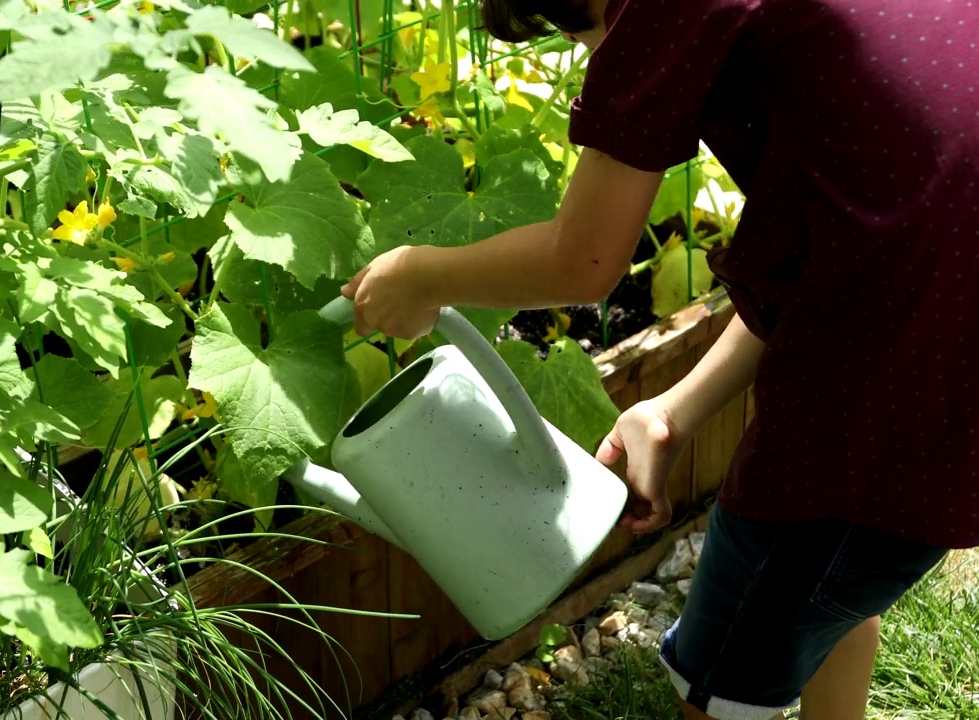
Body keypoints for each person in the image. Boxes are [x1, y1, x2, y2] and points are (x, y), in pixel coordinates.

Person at [338, 0, 979, 717]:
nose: (593, 59)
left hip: (910, 354)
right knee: (828, 585)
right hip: (947, 313)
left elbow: (581, 261)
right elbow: (844, 243)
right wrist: (676, 406)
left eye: (581, 34)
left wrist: (419, 276)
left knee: (732, 662)